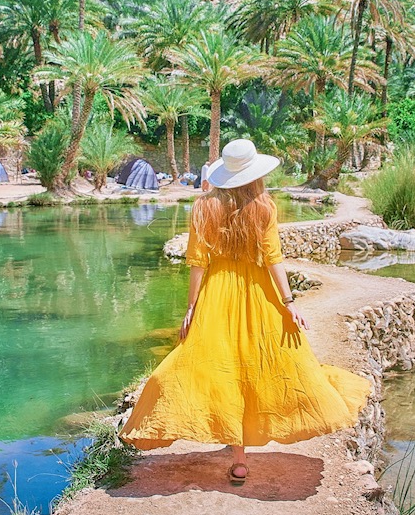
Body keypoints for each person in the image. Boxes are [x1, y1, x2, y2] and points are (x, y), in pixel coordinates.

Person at [120, 139, 371, 483]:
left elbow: (197, 262)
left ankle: (235, 450)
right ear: (255, 173)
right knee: (264, 365)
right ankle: (239, 453)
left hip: (217, 293)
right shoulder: (264, 206)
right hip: (257, 292)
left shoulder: (203, 208)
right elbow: (273, 259)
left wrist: (192, 307)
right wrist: (288, 302)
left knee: (217, 364)